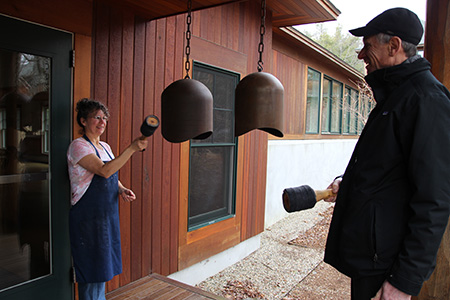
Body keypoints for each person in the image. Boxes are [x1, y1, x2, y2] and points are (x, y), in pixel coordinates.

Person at [323, 8, 450, 300]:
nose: (360, 55)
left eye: (367, 46)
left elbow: (434, 199)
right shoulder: (395, 97)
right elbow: (387, 172)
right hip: (372, 259)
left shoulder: (426, 99)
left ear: (394, 46)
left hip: (388, 266)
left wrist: (404, 281)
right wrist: (350, 185)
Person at [67, 98, 147, 300]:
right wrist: (131, 148)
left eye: (104, 118)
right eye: (97, 117)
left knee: (102, 267)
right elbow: (103, 171)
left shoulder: (104, 146)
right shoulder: (78, 146)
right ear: (83, 121)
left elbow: (112, 175)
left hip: (106, 215)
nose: (102, 122)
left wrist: (121, 189)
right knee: (92, 267)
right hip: (88, 217)